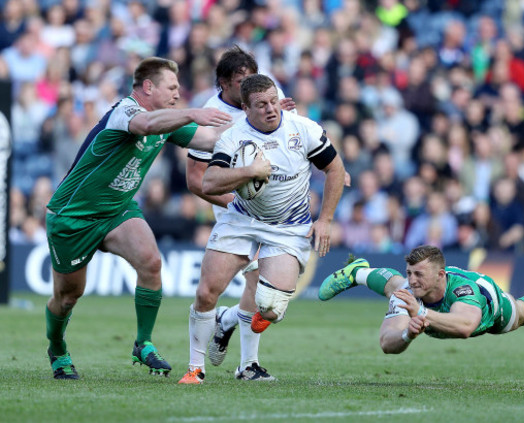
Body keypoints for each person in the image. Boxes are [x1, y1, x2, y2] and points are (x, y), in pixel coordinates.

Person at [44, 57, 232, 380]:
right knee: (68, 296)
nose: (177, 93)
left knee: (151, 262)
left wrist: (261, 126)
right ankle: (57, 348)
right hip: (73, 216)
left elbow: (208, 139)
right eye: (171, 87)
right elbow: (146, 126)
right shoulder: (126, 111)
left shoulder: (167, 122)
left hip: (117, 209)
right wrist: (189, 112)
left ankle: (142, 343)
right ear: (148, 87)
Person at [182, 73, 345, 383]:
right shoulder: (232, 136)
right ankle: (195, 370)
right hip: (241, 219)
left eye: (273, 101)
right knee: (206, 293)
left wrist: (325, 219)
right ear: (246, 108)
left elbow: (335, 169)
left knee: (270, 309)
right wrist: (249, 171)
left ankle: (226, 320)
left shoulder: (303, 128)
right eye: (261, 105)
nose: (271, 109)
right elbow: (209, 181)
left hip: (288, 226)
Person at [180, 46, 296, 384]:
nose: (253, 89)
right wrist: (239, 201)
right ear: (223, 84)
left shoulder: (266, 96)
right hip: (235, 212)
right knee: (211, 290)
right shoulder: (210, 115)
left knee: (267, 297)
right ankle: (203, 364)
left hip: (275, 211)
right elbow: (195, 180)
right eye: (242, 82)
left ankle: (236, 342)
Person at [318, 245, 524, 353]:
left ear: (440, 275)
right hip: (427, 305)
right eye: (410, 272)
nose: (413, 279)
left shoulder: (464, 292)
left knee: (516, 317)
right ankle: (358, 272)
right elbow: (387, 343)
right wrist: (407, 335)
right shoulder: (408, 291)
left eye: (419, 273)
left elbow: (465, 327)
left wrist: (422, 314)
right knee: (396, 287)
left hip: (489, 302)